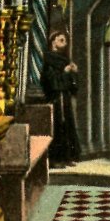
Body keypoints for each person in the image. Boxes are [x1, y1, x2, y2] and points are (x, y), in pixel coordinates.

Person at [41, 30, 81, 166]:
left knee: (66, 126)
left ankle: (66, 157)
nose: (65, 43)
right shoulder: (49, 59)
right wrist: (65, 73)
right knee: (57, 126)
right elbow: (52, 83)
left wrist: (74, 73)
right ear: (53, 42)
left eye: (65, 41)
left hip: (64, 98)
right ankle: (55, 160)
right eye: (61, 40)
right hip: (54, 98)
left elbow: (72, 86)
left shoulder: (64, 60)